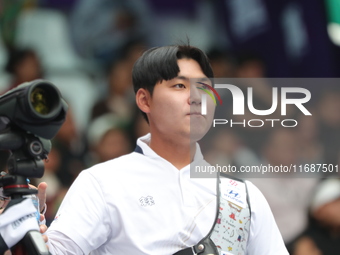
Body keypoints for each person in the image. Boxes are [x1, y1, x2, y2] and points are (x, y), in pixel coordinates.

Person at [45, 45, 288, 254]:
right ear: (144, 100)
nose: (195, 97)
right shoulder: (101, 183)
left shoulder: (244, 195)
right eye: (179, 86)